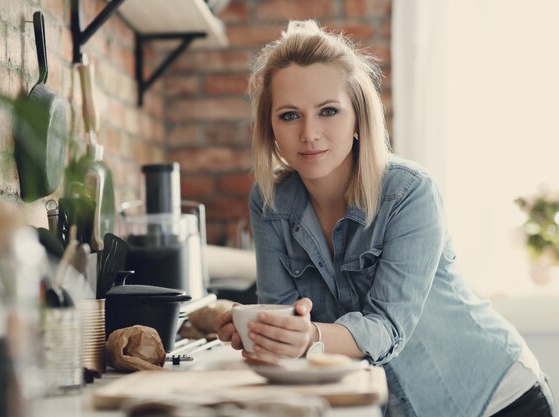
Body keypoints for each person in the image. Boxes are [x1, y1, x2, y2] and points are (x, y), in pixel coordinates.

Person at [213, 20, 556, 417]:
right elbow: (281, 313)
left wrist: (307, 336)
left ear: (358, 117)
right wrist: (264, 334)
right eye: (290, 115)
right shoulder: (269, 200)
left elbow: (387, 328)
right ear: (270, 128)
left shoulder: (409, 193)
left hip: (493, 398)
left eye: (328, 111)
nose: (309, 133)